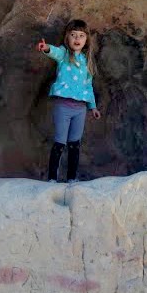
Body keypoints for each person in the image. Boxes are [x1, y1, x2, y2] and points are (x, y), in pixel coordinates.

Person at [36, 18, 101, 183]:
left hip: (80, 109)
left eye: (81, 36)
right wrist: (46, 48)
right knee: (59, 142)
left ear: (86, 40)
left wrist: (93, 107)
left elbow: (88, 86)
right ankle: (52, 179)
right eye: (73, 35)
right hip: (63, 107)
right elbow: (55, 52)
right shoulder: (65, 54)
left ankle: (72, 178)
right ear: (67, 38)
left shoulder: (87, 62)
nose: (77, 39)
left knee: (75, 144)